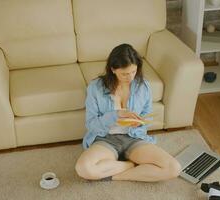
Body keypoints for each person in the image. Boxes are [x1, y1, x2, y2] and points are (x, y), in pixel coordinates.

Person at [75, 44, 181, 182]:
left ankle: (116, 174)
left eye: (133, 72)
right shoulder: (96, 88)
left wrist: (140, 123)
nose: (130, 77)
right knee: (83, 168)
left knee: (174, 168)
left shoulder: (143, 86)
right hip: (106, 139)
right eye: (124, 73)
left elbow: (145, 113)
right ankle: (130, 165)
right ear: (113, 69)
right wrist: (116, 115)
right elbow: (91, 125)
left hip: (134, 138)